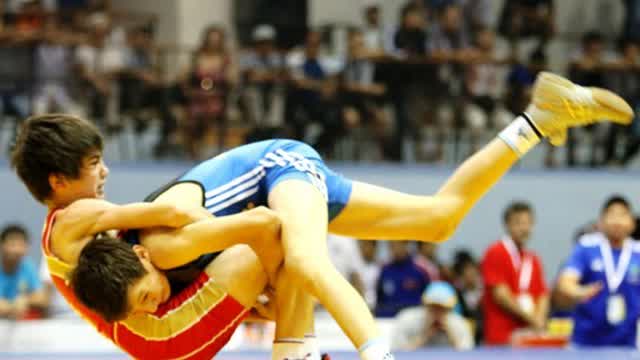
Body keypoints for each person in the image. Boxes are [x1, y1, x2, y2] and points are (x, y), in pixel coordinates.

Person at [12, 71, 634, 359]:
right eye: (94, 165)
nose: (105, 173)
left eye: (98, 164)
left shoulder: (98, 226)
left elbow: (233, 224)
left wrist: (276, 297)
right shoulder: (90, 225)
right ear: (59, 181)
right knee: (440, 219)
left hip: (274, 173)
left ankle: (370, 352)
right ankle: (537, 120)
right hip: (273, 179)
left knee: (305, 258)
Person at [555, 195, 639, 347]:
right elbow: (565, 282)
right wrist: (579, 291)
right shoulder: (587, 247)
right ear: (601, 222)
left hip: (627, 343)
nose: (617, 221)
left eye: (622, 215)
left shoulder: (638, 252)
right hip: (586, 342)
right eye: (612, 215)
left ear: (632, 223)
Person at [481, 201, 549, 345]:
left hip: (530, 335)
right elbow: (501, 295)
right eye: (518, 223)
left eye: (528, 223)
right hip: (502, 336)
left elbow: (543, 294)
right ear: (507, 225)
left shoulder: (533, 259)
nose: (524, 228)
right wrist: (532, 318)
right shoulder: (496, 251)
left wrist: (540, 319)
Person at [392, 281, 474, 350]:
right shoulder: (407, 319)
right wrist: (424, 336)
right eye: (433, 307)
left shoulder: (459, 323)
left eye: (442, 308)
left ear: (450, 309)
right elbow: (396, 352)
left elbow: (468, 355)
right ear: (424, 305)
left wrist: (452, 336)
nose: (437, 312)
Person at [0, 224, 47, 319]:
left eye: (21, 245)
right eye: (12, 244)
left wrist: (25, 300)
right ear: (2, 245)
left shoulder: (28, 267)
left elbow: (42, 298)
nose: (17, 250)